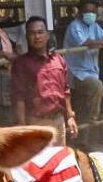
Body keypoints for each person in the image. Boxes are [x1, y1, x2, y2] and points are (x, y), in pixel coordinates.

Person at [11, 16, 76, 146]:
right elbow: (19, 96)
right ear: (27, 37)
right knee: (40, 164)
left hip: (59, 121)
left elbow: (66, 90)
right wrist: (22, 125)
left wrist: (70, 117)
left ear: (47, 35)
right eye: (32, 33)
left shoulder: (58, 59)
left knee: (59, 162)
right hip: (36, 123)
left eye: (40, 32)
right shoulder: (21, 63)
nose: (37, 37)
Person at [63, 0, 103, 143]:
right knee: (97, 87)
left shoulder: (94, 25)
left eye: (93, 11)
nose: (91, 14)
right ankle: (94, 119)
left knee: (86, 103)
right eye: (87, 11)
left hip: (92, 71)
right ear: (80, 12)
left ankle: (82, 142)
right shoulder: (74, 26)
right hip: (76, 73)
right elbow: (86, 42)